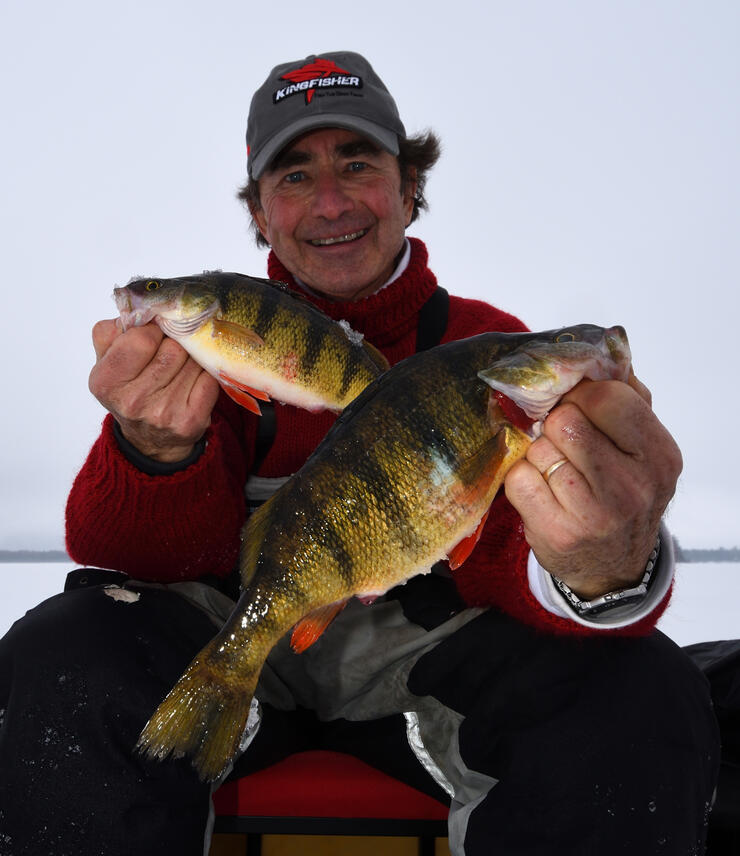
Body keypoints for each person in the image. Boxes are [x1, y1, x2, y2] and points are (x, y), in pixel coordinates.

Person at [0, 51, 720, 856]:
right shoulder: (208, 344)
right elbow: (126, 556)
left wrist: (604, 562)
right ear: (261, 215)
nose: (332, 200)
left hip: (424, 667)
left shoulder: (485, 348)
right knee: (67, 649)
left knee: (641, 691)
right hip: (253, 633)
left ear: (410, 189)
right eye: (295, 175)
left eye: (358, 162)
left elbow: (506, 560)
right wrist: (152, 448)